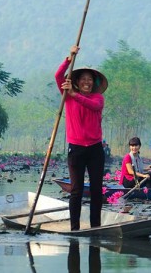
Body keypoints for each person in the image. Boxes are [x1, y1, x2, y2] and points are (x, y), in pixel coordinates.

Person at [55, 45, 108, 231]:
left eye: (89, 80)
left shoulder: (97, 99)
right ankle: (74, 228)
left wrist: (74, 94)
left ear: (93, 83)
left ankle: (96, 226)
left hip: (95, 149)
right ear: (77, 81)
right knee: (76, 191)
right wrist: (69, 58)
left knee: (95, 189)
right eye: (83, 79)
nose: (87, 82)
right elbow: (58, 76)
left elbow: (92, 106)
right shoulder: (67, 97)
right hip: (76, 148)